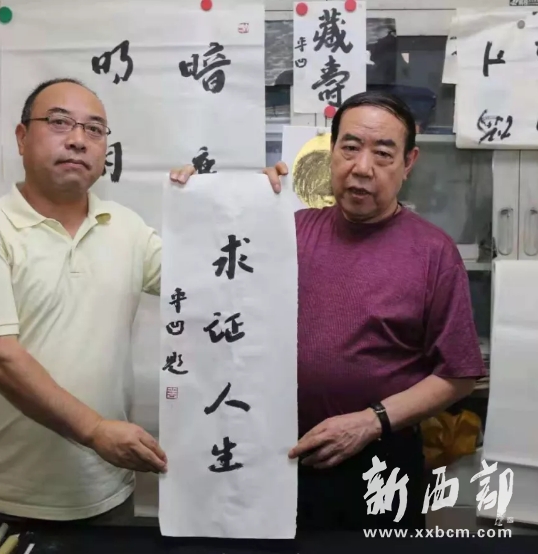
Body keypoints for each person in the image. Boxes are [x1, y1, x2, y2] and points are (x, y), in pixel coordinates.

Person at [0, 77, 279, 524]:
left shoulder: (126, 228)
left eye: (94, 129)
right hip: (4, 499)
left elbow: (212, 280)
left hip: (107, 490)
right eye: (59, 122)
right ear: (22, 138)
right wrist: (95, 430)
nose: (78, 140)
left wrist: (244, 205)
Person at [171, 90, 487, 531]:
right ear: (332, 152)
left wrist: (371, 422)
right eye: (350, 147)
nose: (362, 167)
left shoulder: (434, 253)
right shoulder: (288, 232)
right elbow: (211, 289)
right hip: (276, 457)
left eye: (383, 153)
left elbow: (458, 374)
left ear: (408, 163)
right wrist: (206, 200)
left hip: (381, 460)